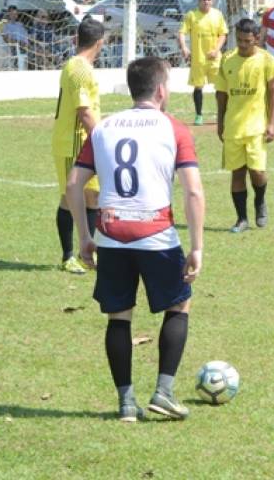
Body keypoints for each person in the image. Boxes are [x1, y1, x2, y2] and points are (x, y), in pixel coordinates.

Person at [66, 56, 204, 423]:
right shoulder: (173, 128)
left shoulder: (104, 127)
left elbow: (73, 184)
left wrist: (84, 236)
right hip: (156, 233)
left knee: (119, 317)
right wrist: (197, 248)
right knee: (179, 306)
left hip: (110, 235)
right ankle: (164, 392)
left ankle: (127, 403)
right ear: (161, 89)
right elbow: (193, 192)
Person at [51, 18, 105, 275]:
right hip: (72, 141)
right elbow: (84, 112)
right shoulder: (80, 69)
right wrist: (104, 141)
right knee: (69, 197)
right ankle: (68, 256)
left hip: (86, 142)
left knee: (93, 195)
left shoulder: (80, 66)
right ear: (99, 43)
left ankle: (89, 253)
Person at [216, 18, 274, 233]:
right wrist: (220, 122)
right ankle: (241, 219)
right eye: (240, 40)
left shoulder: (267, 60)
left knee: (257, 172)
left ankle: (260, 201)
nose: (242, 45)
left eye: (247, 41)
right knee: (237, 173)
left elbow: (273, 92)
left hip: (257, 128)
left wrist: (272, 123)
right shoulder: (227, 60)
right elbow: (221, 94)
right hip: (234, 127)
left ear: (257, 39)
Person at [177, 0, 228, 126]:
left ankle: (222, 115)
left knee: (221, 87)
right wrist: (184, 47)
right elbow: (182, 32)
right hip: (198, 59)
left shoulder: (217, 15)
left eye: (209, 0)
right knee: (198, 87)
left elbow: (223, 34)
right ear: (199, 1)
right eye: (204, 0)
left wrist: (216, 50)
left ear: (212, 1)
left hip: (215, 58)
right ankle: (199, 115)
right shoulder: (192, 15)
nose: (207, 2)